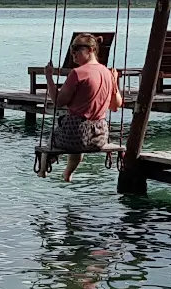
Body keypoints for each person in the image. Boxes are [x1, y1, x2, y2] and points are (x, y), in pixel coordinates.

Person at [43, 33, 123, 182]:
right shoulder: (107, 72)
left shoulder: (77, 73)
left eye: (77, 49)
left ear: (91, 49)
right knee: (77, 141)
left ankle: (42, 169)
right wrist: (114, 82)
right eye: (72, 49)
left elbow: (58, 102)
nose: (73, 53)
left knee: (55, 138)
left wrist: (49, 78)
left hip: (77, 133)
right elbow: (115, 106)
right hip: (99, 136)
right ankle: (68, 173)